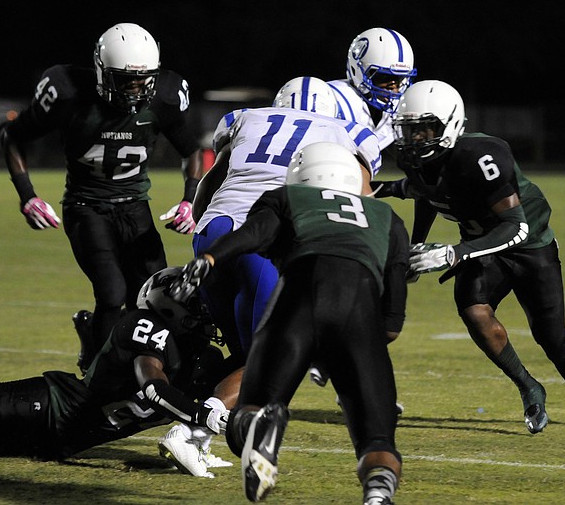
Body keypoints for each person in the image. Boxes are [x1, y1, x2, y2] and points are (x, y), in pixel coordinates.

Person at [172, 142, 409, 504]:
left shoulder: (286, 198)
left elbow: (252, 235)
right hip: (359, 313)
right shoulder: (387, 219)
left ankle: (259, 428)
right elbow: (391, 323)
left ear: (300, 175)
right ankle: (377, 494)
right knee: (377, 438)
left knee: (251, 409)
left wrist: (209, 258)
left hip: (297, 298)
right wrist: (339, 354)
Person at [376, 79, 565, 433]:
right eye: (410, 130)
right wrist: (417, 245)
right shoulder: (420, 160)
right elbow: (426, 193)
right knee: (473, 309)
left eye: (425, 130)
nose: (415, 139)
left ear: (450, 124)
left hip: (528, 244)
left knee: (552, 338)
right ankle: (528, 386)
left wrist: (455, 254)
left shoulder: (482, 155)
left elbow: (515, 227)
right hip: (479, 243)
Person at [0, 268, 233, 475]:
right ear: (167, 307)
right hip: (44, 408)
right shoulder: (146, 328)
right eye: (194, 303)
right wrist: (205, 416)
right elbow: (153, 386)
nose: (203, 309)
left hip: (57, 441)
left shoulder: (199, 355)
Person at [2, 23, 204, 374]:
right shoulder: (68, 96)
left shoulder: (163, 98)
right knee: (112, 293)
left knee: (153, 296)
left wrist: (190, 200)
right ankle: (100, 374)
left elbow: (192, 151)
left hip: (135, 206)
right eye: (125, 78)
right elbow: (13, 137)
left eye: (142, 79)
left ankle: (117, 351)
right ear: (101, 70)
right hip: (86, 207)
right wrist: (28, 197)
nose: (135, 87)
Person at [191, 76, 382, 360]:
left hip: (213, 229)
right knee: (263, 360)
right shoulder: (348, 131)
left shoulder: (247, 117)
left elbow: (209, 185)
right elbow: (363, 201)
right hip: (265, 240)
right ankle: (212, 405)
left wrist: (203, 227)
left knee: (241, 353)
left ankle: (201, 397)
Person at [327, 27, 417, 150]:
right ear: (357, 70)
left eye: (399, 78)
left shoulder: (398, 108)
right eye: (384, 76)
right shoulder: (330, 97)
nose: (393, 86)